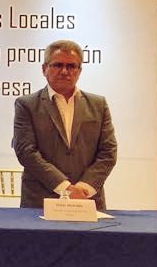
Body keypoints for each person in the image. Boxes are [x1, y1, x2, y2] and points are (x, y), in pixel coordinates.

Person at [13, 40, 117, 210]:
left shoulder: (99, 105)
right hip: (40, 202)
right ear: (44, 69)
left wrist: (83, 188)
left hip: (87, 200)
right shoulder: (26, 105)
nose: (64, 71)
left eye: (71, 66)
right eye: (58, 65)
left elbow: (108, 152)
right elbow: (26, 152)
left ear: (79, 71)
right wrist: (66, 188)